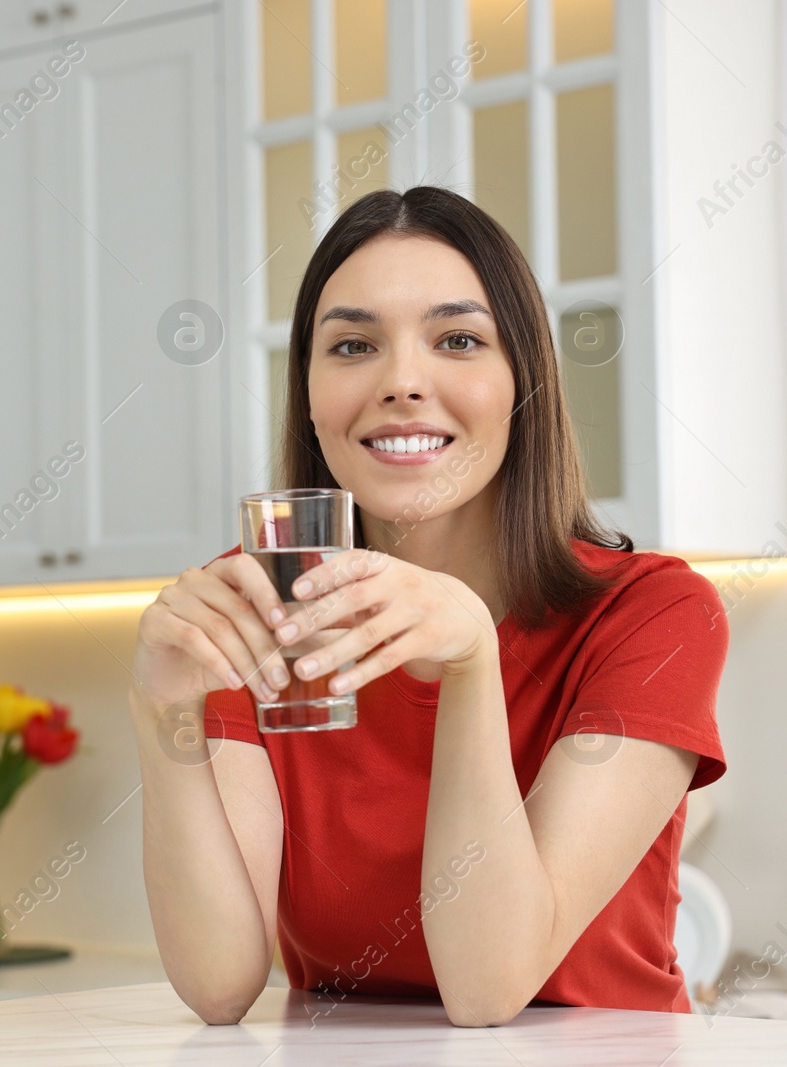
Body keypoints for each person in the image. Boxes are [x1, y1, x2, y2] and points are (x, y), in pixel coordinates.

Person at [129, 186, 729, 1028]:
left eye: (457, 339)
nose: (403, 382)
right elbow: (221, 982)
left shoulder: (654, 615)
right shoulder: (262, 603)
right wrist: (164, 713)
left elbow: (488, 987)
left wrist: (471, 660)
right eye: (352, 345)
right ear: (308, 392)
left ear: (524, 380)